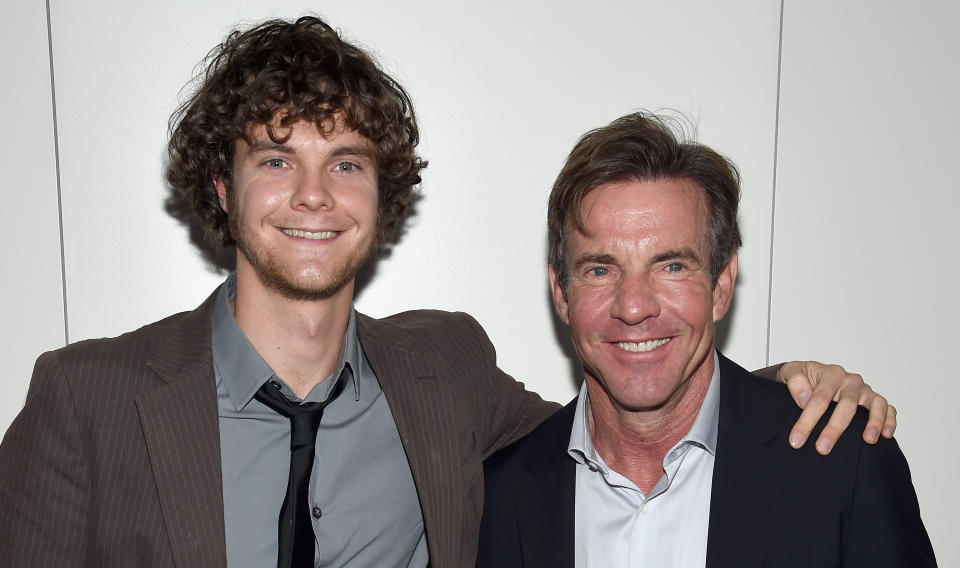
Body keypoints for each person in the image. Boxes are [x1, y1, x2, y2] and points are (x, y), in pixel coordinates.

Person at [0, 17, 895, 568]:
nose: (314, 195)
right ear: (224, 189)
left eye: (346, 163)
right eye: (277, 159)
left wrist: (784, 386)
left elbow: (626, 408)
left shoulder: (446, 374)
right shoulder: (88, 398)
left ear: (380, 196)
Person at [477, 112, 936, 567]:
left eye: (671, 266)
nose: (634, 306)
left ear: (721, 285)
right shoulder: (498, 498)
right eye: (600, 269)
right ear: (561, 294)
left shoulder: (843, 464)